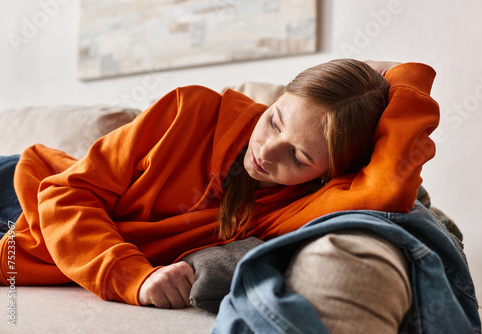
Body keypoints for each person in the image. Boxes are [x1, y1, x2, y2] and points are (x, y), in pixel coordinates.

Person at [0, 59, 439, 311]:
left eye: (299, 156)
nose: (267, 152)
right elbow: (65, 192)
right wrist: (130, 276)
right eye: (274, 121)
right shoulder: (189, 108)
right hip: (25, 187)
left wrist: (407, 76)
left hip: (33, 239)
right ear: (275, 99)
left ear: (328, 172)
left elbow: (389, 187)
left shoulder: (302, 204)